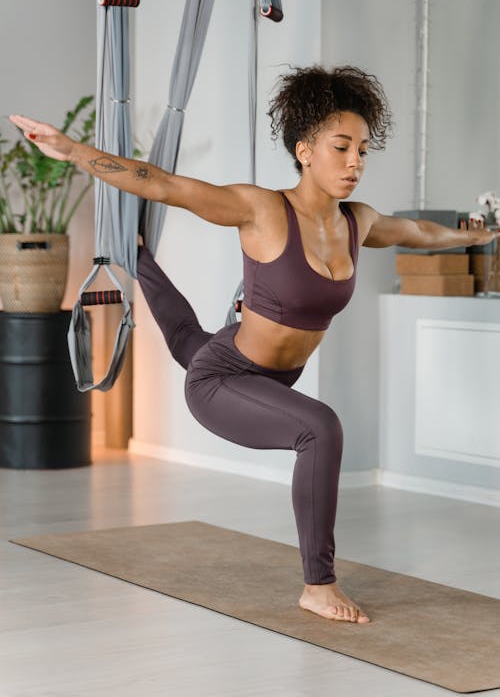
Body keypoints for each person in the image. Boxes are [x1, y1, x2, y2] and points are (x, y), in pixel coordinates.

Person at [10, 65, 497, 625]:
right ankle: (318, 584)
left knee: (192, 339)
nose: (355, 162)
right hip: (224, 381)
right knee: (319, 427)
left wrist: (477, 234)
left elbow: (416, 232)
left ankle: (137, 259)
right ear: (305, 149)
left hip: (253, 369)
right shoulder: (262, 210)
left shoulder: (355, 223)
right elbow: (163, 183)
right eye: (341, 147)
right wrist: (72, 151)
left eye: (363, 150)